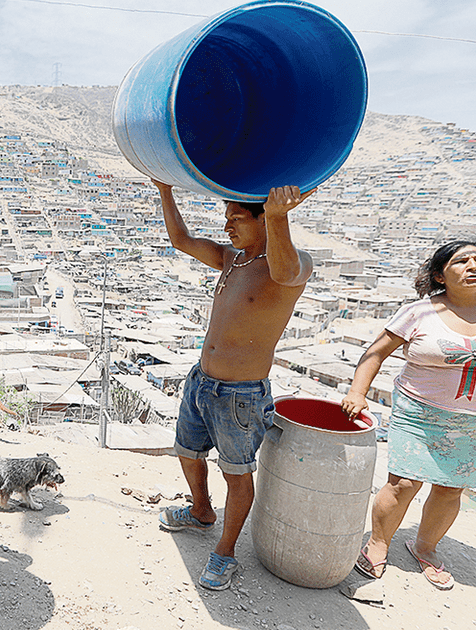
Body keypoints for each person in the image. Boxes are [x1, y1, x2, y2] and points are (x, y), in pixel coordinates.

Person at [341, 240, 476, 590]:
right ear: (440, 275)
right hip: (420, 414)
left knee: (451, 489)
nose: (474, 266)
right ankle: (377, 544)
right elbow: (375, 353)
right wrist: (357, 392)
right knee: (403, 483)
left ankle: (425, 547)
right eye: (461, 261)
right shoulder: (420, 312)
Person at [153, 182, 314, 591]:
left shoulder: (293, 265)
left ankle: (225, 553)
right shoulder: (231, 259)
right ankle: (201, 511)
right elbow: (181, 239)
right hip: (201, 382)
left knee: (237, 474)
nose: (227, 227)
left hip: (241, 395)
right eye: (226, 218)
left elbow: (284, 271)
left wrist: (280, 216)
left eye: (236, 218)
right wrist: (164, 189)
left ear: (263, 219)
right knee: (188, 453)